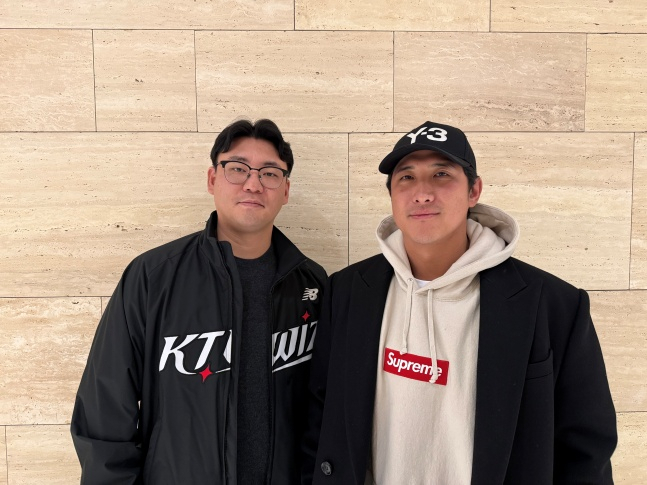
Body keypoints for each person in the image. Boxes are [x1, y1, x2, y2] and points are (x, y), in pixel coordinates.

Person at [302, 121, 617, 485]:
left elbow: (586, 451)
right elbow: (319, 418)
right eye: (406, 177)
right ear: (391, 195)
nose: (422, 193)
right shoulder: (347, 292)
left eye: (441, 174)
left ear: (474, 191)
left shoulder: (553, 305)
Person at [71, 118, 327, 484]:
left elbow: (325, 411)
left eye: (270, 173)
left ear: (285, 190)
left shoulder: (311, 283)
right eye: (237, 169)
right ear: (212, 179)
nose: (253, 183)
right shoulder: (152, 278)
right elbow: (104, 412)